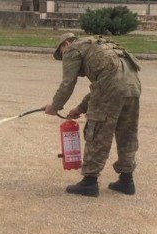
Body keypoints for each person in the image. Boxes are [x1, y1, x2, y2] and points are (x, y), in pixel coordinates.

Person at [43, 32, 142, 197]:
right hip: (133, 86)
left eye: (61, 52)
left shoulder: (73, 49)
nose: (63, 57)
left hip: (111, 87)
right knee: (127, 133)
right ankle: (127, 180)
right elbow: (105, 83)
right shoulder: (100, 45)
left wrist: (55, 106)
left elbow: (68, 83)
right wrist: (80, 108)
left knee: (97, 131)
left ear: (66, 43)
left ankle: (89, 181)